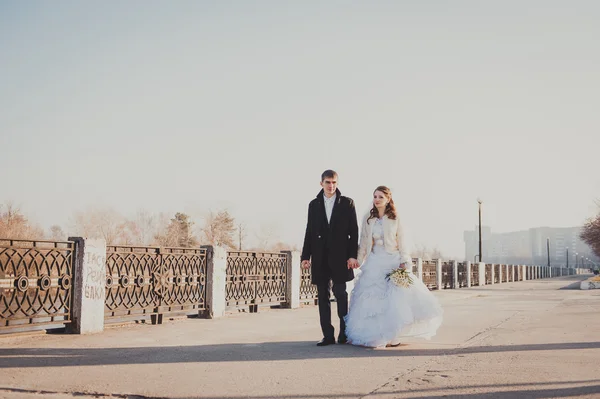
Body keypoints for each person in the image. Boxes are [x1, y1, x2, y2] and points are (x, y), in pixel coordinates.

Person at [345, 186, 443, 348]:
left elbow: (402, 242)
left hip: (392, 261)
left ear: (388, 199)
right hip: (375, 261)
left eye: (380, 197)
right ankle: (373, 335)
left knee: (393, 300)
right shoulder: (368, 219)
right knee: (372, 299)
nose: (376, 200)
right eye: (375, 196)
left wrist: (405, 261)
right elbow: (363, 242)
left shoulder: (396, 218)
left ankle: (393, 334)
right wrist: (358, 259)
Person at [301, 169, 360, 346]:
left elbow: (354, 232)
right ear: (321, 184)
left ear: (337, 183)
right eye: (327, 182)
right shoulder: (314, 204)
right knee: (323, 296)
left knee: (341, 294)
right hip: (319, 257)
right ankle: (327, 335)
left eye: (334, 182)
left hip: (340, 257)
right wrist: (306, 256)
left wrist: (352, 256)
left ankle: (344, 333)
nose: (331, 186)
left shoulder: (347, 203)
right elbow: (309, 232)